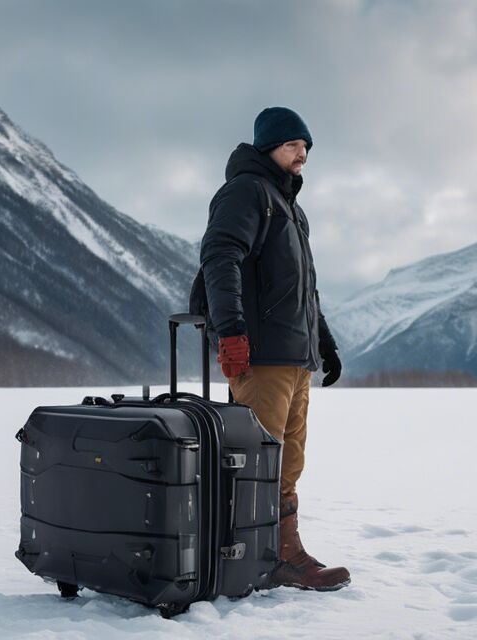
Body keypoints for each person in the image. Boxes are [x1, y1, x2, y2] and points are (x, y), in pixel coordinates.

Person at [198, 106, 349, 591]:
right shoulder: (247, 192)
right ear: (268, 147)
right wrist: (232, 333)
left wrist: (323, 344)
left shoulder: (291, 208)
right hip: (261, 357)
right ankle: (242, 557)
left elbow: (304, 289)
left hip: (294, 357)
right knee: (254, 460)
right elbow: (220, 257)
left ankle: (282, 555)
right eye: (292, 145)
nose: (302, 154)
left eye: (306, 147)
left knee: (287, 464)